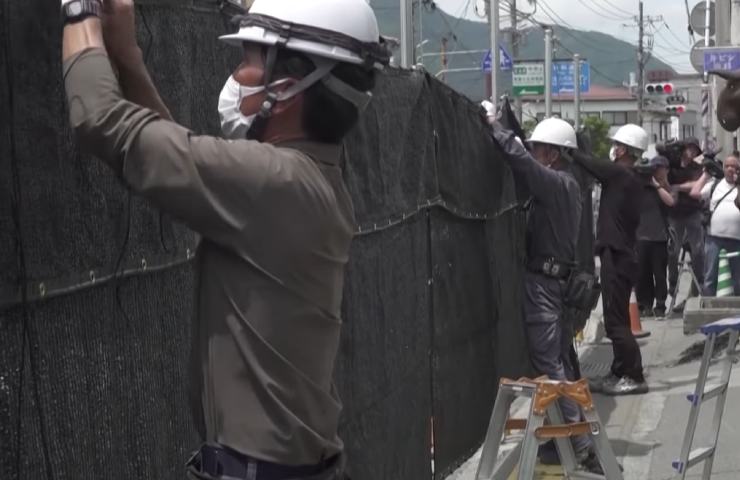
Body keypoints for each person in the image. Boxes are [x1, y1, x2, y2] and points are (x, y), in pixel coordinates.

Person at [60, 0, 390, 478]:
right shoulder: (308, 179)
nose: (236, 76)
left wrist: (79, 13)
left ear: (291, 84)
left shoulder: (275, 182)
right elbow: (182, 158)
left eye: (248, 62)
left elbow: (99, 118)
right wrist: (126, 58)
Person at [486, 114, 603, 473]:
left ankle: (580, 444)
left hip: (546, 284)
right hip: (557, 281)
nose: (534, 154)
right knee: (559, 360)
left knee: (549, 364)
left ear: (553, 154)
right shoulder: (569, 185)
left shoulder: (557, 184)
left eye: (539, 149)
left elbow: (520, 162)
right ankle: (565, 439)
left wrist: (494, 128)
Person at [573, 124, 649, 396]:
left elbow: (589, 164)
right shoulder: (631, 176)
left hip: (617, 256)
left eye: (618, 145)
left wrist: (569, 148)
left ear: (626, 150)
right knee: (616, 319)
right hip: (619, 254)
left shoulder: (621, 173)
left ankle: (634, 375)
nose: (614, 149)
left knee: (616, 322)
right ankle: (619, 370)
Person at [690, 154, 740, 295]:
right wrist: (706, 174)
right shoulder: (716, 184)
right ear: (723, 168)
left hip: (737, 240)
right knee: (710, 275)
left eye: (735, 166)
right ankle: (708, 304)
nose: (731, 169)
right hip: (714, 239)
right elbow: (695, 193)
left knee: (738, 278)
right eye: (728, 166)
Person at [667, 138, 705, 312]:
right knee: (672, 251)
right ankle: (672, 282)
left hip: (692, 212)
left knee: (698, 250)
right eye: (689, 149)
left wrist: (677, 187)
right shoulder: (673, 166)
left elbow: (695, 186)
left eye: (695, 150)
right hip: (675, 215)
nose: (692, 153)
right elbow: (664, 183)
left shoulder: (697, 168)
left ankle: (699, 284)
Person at [634, 155, 675, 318]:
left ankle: (660, 305)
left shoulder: (663, 187)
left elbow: (670, 202)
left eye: (660, 169)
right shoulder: (639, 187)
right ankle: (645, 305)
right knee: (642, 274)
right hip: (640, 236)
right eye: (654, 169)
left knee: (659, 273)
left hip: (659, 238)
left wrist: (656, 184)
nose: (656, 171)